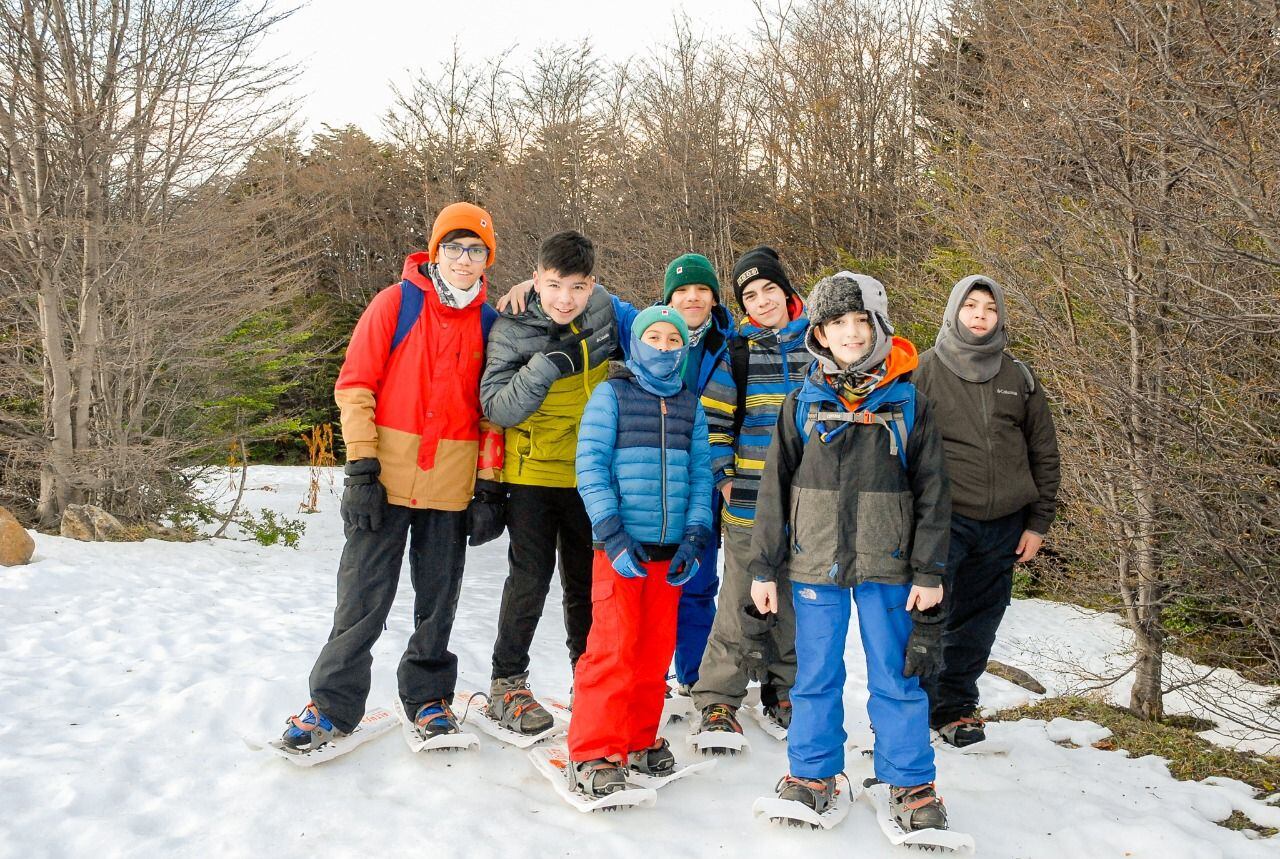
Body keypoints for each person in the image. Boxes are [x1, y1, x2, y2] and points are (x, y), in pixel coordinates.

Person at [281, 202, 507, 751]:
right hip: (383, 480)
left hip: (451, 487)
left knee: (439, 599)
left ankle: (429, 698)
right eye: (453, 247)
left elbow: (491, 413)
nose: (463, 258)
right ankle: (332, 704)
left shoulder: (490, 322)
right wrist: (360, 468)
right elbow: (355, 386)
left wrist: (489, 484)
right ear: (436, 251)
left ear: (487, 259)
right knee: (361, 596)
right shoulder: (396, 303)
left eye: (475, 249)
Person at [748, 272, 953, 831]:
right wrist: (763, 567)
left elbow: (934, 491)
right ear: (819, 331)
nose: (852, 332)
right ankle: (812, 772)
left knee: (896, 675)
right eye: (839, 322)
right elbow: (774, 486)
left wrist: (929, 569)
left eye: (863, 321)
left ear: (880, 327)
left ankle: (911, 783)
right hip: (815, 561)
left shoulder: (910, 401)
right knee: (813, 673)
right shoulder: (801, 401)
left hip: (890, 563)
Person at [494, 253, 736, 691]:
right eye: (681, 291)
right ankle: (530, 679)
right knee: (549, 581)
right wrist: (529, 294)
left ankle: (673, 678)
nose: (692, 298)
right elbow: (584, 290)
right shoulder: (633, 331)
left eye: (701, 290)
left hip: (685, 480)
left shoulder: (730, 338)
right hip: (585, 477)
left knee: (675, 586)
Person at [564, 305, 714, 796]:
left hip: (669, 552)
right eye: (655, 337)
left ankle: (637, 737)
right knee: (613, 649)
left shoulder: (692, 404)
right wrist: (610, 530)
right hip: (621, 548)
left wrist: (695, 535)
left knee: (653, 653)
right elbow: (589, 465)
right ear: (636, 344)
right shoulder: (613, 394)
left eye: (674, 340)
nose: (665, 347)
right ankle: (594, 750)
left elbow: (699, 476)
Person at [480, 230, 624, 734]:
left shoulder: (605, 309)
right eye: (555, 284)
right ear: (537, 278)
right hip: (534, 474)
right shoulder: (511, 326)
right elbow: (495, 406)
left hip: (590, 475)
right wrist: (543, 367)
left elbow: (651, 330)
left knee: (586, 588)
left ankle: (587, 683)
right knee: (530, 580)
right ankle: (507, 685)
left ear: (594, 284)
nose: (566, 299)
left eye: (578, 287)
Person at [915, 275, 1060, 747]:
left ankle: (955, 708)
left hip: (1004, 526)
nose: (980, 314)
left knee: (980, 620)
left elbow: (1044, 453)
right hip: (942, 521)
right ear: (954, 310)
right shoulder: (922, 371)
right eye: (971, 305)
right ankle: (913, 709)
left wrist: (1037, 524)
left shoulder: (1019, 376)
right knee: (928, 618)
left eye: (990, 308)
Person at [691, 245, 809, 739]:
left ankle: (786, 690)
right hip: (750, 504)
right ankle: (719, 698)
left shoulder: (819, 347)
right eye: (750, 296)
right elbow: (713, 421)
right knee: (740, 601)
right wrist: (725, 477)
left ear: (786, 291)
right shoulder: (737, 353)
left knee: (794, 605)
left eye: (769, 290)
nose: (762, 302)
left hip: (808, 504)